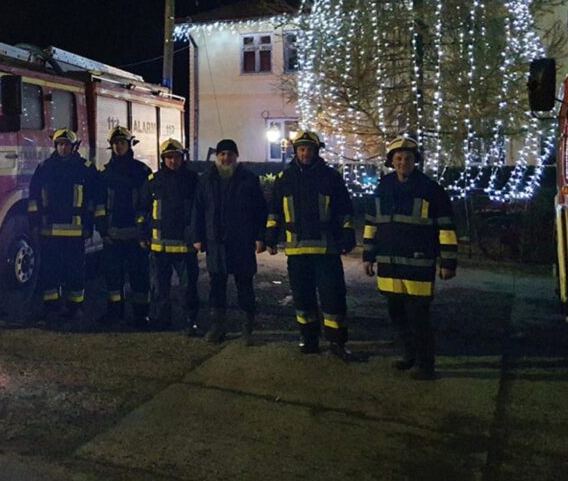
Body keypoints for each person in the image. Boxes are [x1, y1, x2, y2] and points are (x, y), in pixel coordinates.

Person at [362, 136, 458, 380]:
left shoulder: (430, 189)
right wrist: (368, 255)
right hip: (389, 265)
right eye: (398, 158)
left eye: (407, 158)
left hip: (419, 265)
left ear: (416, 161)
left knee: (419, 319)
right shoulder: (383, 187)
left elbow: (446, 228)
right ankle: (409, 356)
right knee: (398, 316)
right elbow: (372, 223)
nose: (403, 162)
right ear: (391, 161)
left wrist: (447, 262)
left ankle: (426, 365)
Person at [266, 130, 355, 359]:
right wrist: (271, 235)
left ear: (317, 151)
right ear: (296, 151)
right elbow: (275, 211)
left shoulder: (330, 177)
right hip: (296, 252)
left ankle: (337, 342)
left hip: (326, 249)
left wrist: (347, 235)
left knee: (332, 296)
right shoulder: (284, 179)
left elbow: (344, 210)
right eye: (302, 149)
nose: (305, 153)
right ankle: (309, 338)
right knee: (302, 297)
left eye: (310, 149)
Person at [192, 139, 272, 345]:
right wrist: (197, 237)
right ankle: (218, 327)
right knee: (216, 287)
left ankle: (247, 328)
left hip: (241, 242)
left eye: (230, 154)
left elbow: (260, 211)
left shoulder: (249, 179)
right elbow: (198, 210)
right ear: (217, 157)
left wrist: (260, 237)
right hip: (216, 242)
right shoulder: (206, 179)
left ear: (236, 157)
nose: (226, 158)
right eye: (222, 154)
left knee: (244, 285)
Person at [28, 128, 101, 320]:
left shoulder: (85, 169)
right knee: (50, 270)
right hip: (49, 230)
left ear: (74, 147)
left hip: (76, 232)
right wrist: (34, 224)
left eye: (66, 145)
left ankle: (75, 307)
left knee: (75, 271)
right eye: (60, 144)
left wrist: (89, 225)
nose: (63, 148)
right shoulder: (44, 168)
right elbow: (34, 199)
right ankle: (51, 306)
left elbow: (93, 200)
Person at [139, 138, 201, 335]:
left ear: (183, 158)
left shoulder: (194, 181)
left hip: (185, 245)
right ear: (163, 159)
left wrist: (199, 236)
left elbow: (201, 211)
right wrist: (142, 234)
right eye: (168, 158)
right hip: (159, 246)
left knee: (189, 287)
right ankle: (161, 319)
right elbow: (142, 210)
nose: (173, 161)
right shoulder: (153, 181)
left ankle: (190, 321)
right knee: (159, 287)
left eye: (176, 157)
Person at [97, 126, 152, 328]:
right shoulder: (104, 173)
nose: (119, 146)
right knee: (113, 278)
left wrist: (144, 232)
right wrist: (103, 231)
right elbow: (99, 205)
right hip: (113, 234)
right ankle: (115, 313)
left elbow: (147, 205)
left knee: (140, 277)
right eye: (115, 143)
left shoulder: (141, 171)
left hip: (136, 236)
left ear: (129, 145)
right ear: (111, 146)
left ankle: (141, 316)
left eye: (122, 142)